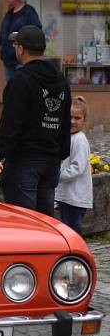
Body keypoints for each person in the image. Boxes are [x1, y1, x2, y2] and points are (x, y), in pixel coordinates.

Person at [0, 26, 71, 217]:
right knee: (45, 224)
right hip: (51, 162)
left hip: (24, 162)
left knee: (25, 225)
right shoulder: (60, 79)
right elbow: (64, 121)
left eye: (16, 45)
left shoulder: (21, 80)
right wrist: (61, 153)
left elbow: (10, 124)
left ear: (20, 49)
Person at [55, 96, 92, 235]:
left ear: (84, 121)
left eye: (77, 118)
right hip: (67, 195)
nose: (72, 121)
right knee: (66, 229)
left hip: (75, 197)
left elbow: (77, 168)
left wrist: (56, 176)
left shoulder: (80, 140)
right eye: (69, 117)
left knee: (72, 231)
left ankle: (76, 255)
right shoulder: (68, 137)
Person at [0, 0, 42, 82]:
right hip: (8, 60)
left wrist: (22, 38)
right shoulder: (9, 13)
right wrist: (2, 48)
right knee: (12, 89)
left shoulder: (29, 12)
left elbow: (35, 31)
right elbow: (4, 33)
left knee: (22, 87)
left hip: (22, 60)